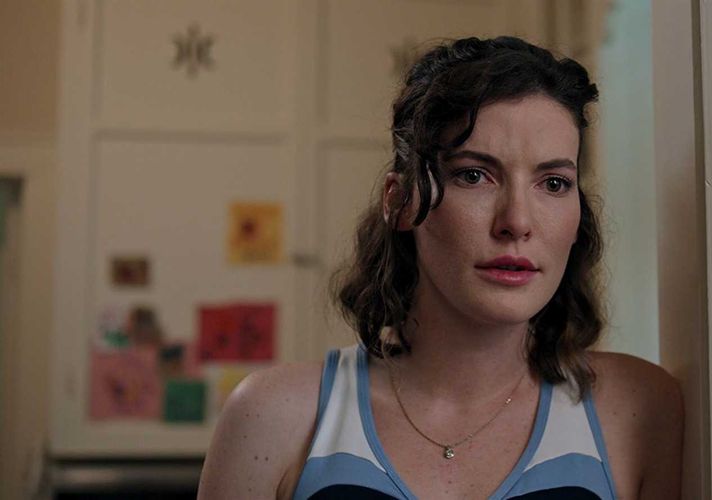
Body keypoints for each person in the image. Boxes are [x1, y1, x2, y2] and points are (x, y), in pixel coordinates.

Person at [198, 36, 682, 500]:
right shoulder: (273, 415)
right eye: (474, 175)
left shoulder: (638, 408)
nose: (517, 221)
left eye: (553, 183)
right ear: (400, 202)